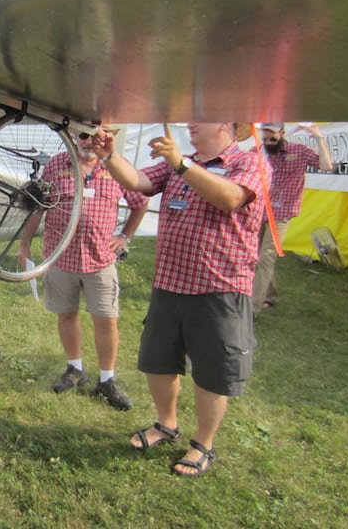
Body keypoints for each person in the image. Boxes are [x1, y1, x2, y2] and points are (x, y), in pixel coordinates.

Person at [90, 122, 269, 476]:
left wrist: (183, 166)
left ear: (224, 123)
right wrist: (109, 155)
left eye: (200, 118)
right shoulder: (180, 160)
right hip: (170, 283)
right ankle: (166, 424)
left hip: (219, 288)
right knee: (159, 361)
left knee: (212, 373)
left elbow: (230, 198)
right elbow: (137, 181)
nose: (190, 124)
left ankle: (203, 444)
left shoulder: (250, 162)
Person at [17, 128, 149, 410]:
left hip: (99, 259)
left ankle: (107, 379)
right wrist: (24, 245)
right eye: (82, 136)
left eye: (94, 137)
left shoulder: (117, 166)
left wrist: (124, 236)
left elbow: (141, 202)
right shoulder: (56, 164)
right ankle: (75, 368)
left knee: (106, 320)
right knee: (67, 314)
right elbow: (38, 207)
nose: (88, 143)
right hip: (60, 257)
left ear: (106, 137)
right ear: (74, 136)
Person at [252, 123, 334, 314]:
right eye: (265, 138)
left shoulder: (299, 151)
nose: (268, 142)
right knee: (255, 256)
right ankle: (269, 296)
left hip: (281, 214)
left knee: (266, 256)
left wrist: (319, 138)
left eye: (272, 138)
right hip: (259, 211)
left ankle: (251, 310)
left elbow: (326, 166)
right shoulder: (258, 151)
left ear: (282, 134)